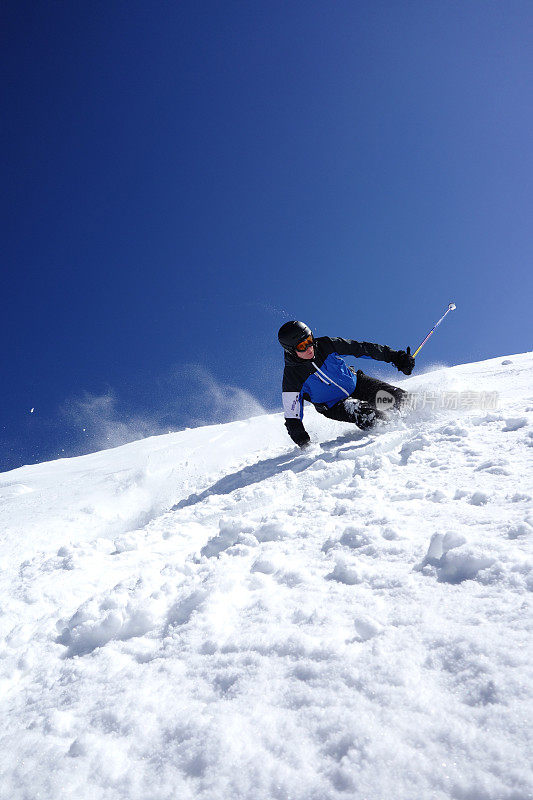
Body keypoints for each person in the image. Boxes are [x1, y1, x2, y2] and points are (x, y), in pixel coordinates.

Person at [278, 320, 415, 448]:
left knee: (400, 398)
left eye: (309, 340)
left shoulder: (326, 345)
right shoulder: (292, 377)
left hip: (357, 384)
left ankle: (426, 412)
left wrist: (396, 357)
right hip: (334, 405)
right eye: (302, 346)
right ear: (291, 350)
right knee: (367, 414)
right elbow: (292, 417)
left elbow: (361, 348)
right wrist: (304, 443)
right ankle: (395, 438)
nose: (309, 348)